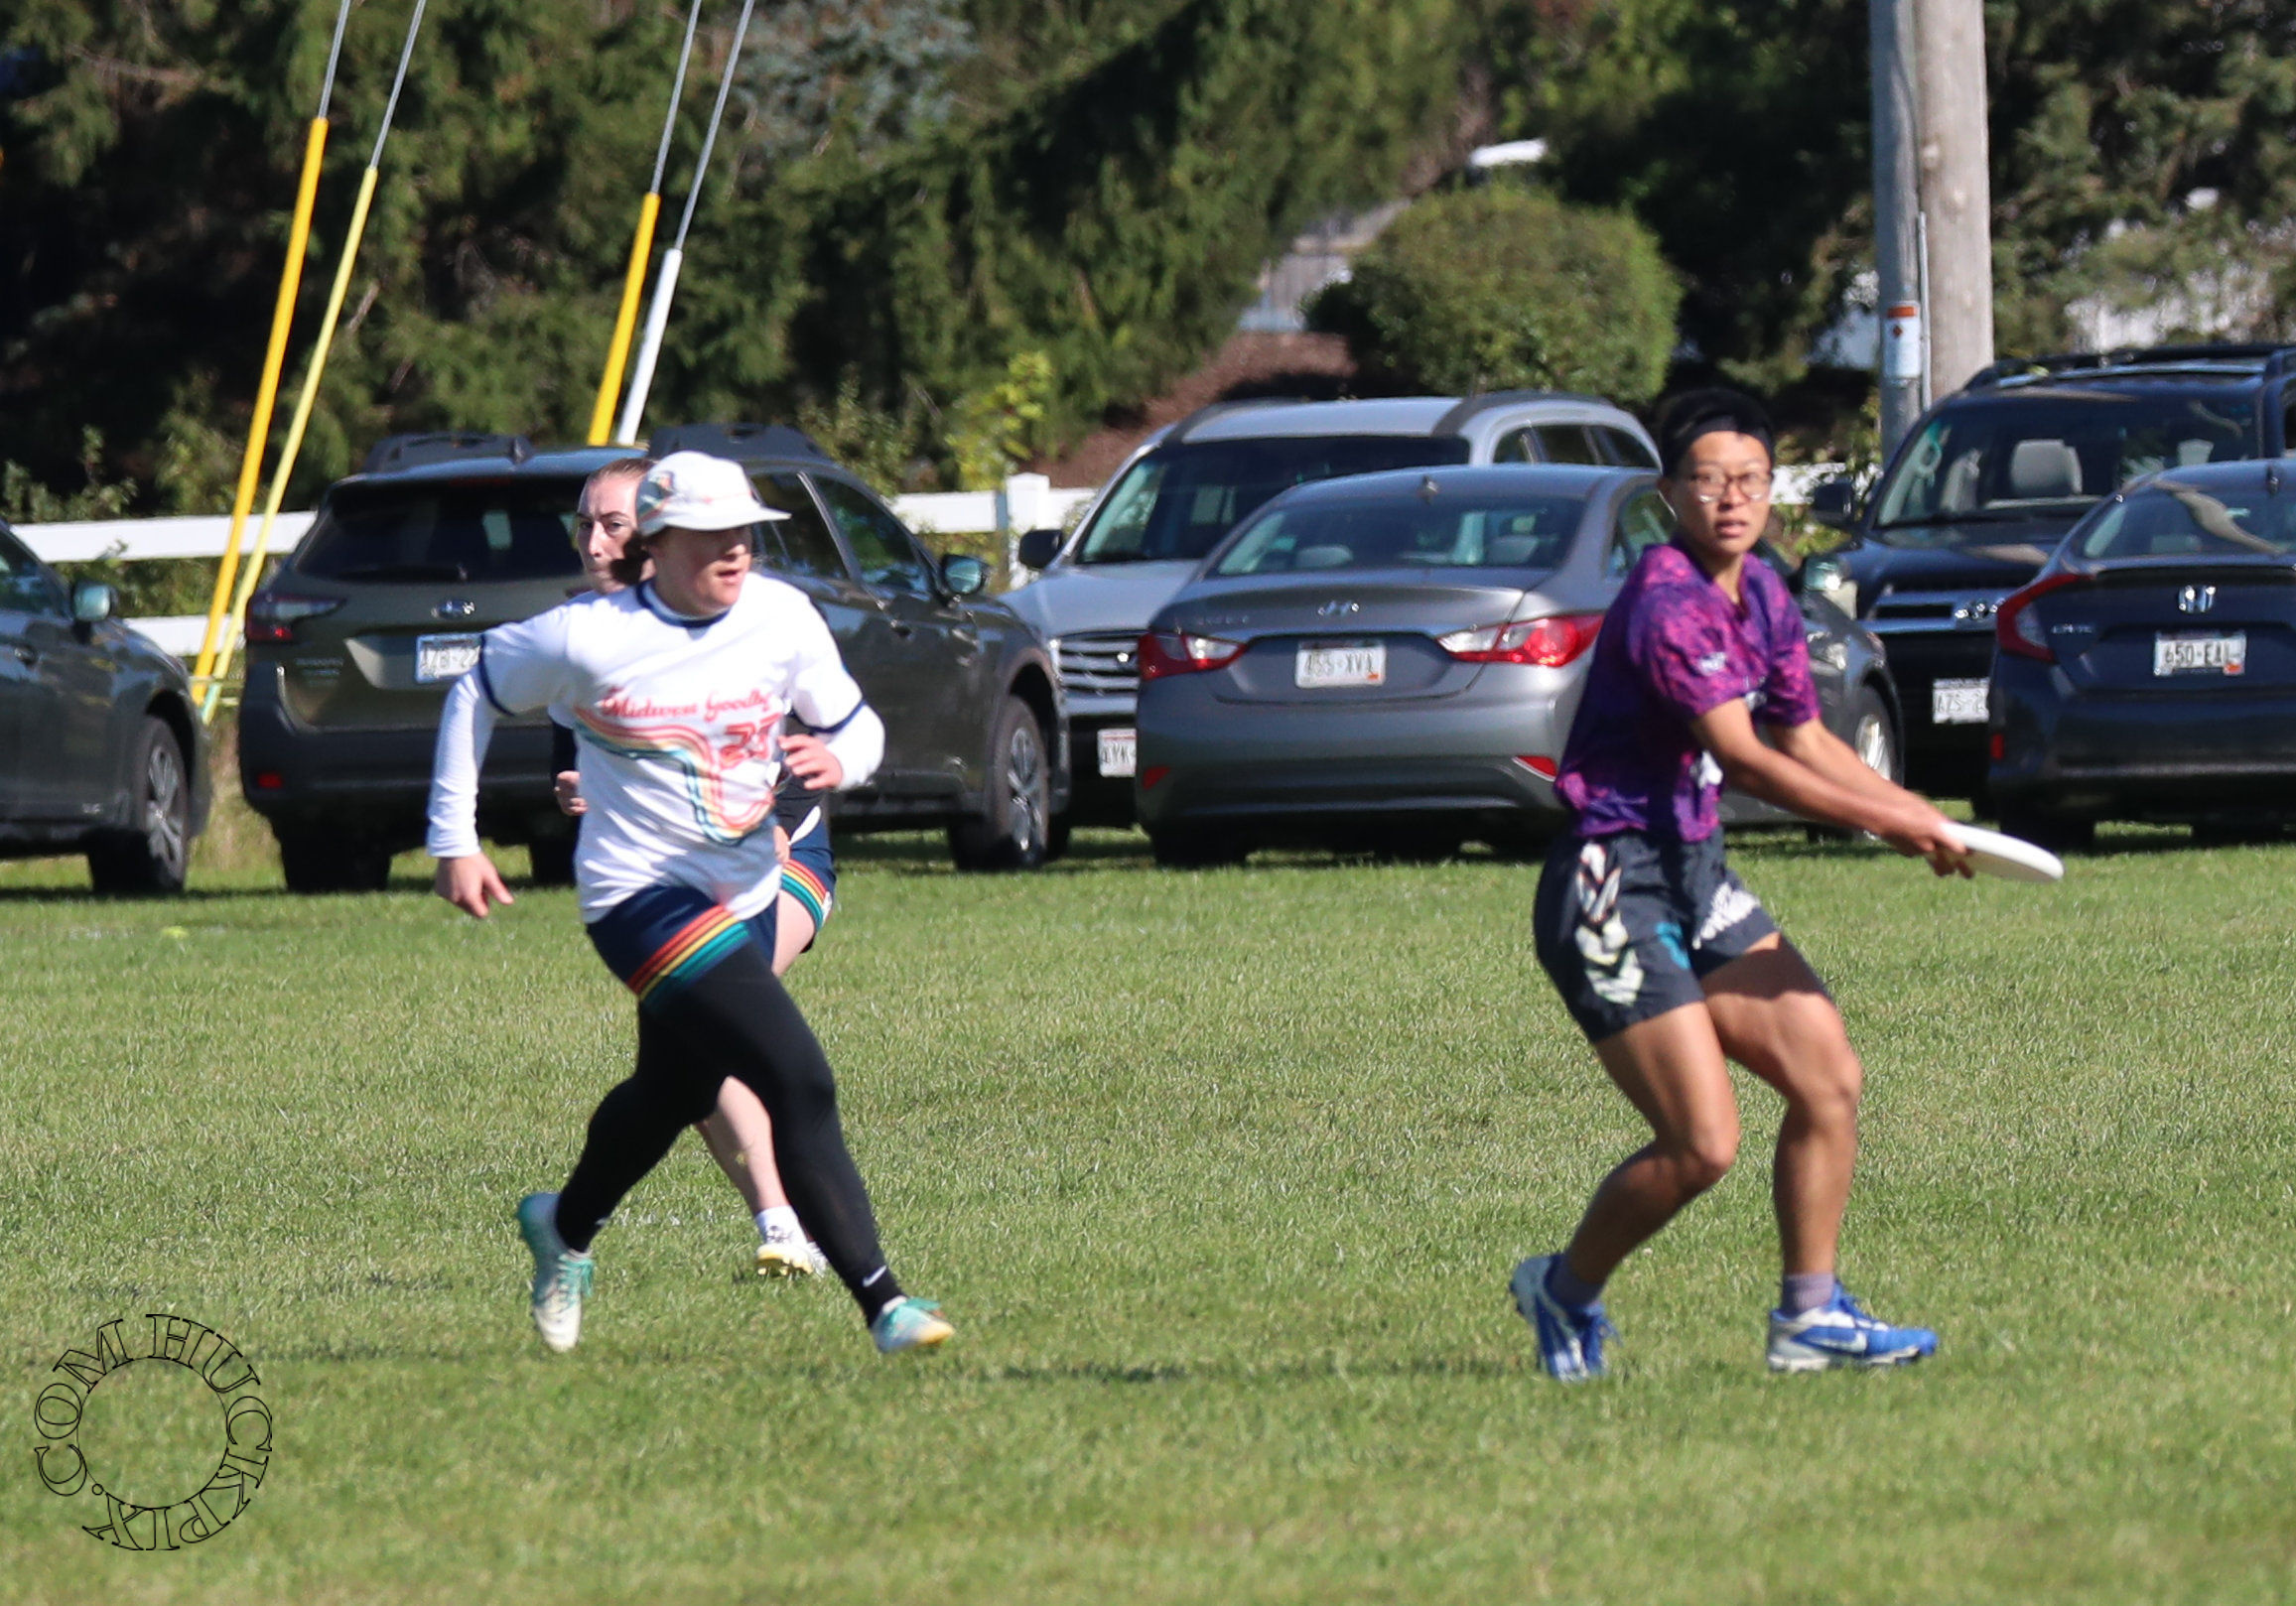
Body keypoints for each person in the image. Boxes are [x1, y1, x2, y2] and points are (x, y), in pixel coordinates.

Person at [428, 450, 952, 1356]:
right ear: (660, 544)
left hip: (746, 888)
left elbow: (854, 722)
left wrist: (844, 760)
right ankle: (884, 1304)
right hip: (637, 896)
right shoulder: (586, 634)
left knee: (673, 1090)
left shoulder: (782, 617)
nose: (735, 549)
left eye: (743, 532)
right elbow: (475, 690)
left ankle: (564, 1226)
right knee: (798, 1075)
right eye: (712, 536)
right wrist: (454, 839)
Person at [1515, 389, 1965, 1380]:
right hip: (1611, 884)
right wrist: (1889, 822)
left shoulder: (1761, 590)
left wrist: (1916, 809)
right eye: (1708, 480)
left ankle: (1809, 1317)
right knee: (1701, 1143)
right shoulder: (1666, 602)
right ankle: (1562, 1288)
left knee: (1827, 1077)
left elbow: (1804, 737)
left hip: (1694, 873)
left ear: (1770, 489)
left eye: (1750, 480)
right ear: (1670, 492)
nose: (1731, 499)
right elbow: (1748, 758)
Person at [556, 457, 836, 1278]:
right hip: (665, 878)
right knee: (693, 1046)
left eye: (612, 524)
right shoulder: (582, 636)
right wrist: (576, 790)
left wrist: (769, 824)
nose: (594, 542)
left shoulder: (742, 617)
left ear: (657, 534)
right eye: (583, 525)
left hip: (782, 853)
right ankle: (781, 1226)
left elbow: (800, 743)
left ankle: (785, 1223)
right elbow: (577, 762)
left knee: (707, 1022)